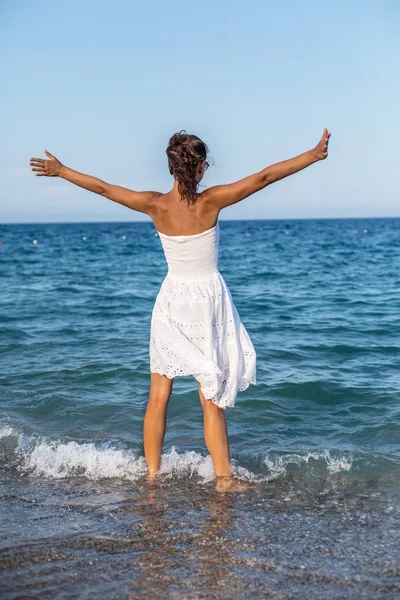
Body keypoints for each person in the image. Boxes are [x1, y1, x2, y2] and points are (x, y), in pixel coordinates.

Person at [30, 127, 330, 492]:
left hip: (171, 302)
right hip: (207, 303)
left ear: (171, 167)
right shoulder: (211, 201)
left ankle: (152, 477)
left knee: (159, 395)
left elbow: (104, 189)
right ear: (200, 166)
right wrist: (312, 156)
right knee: (210, 398)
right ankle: (224, 480)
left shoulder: (155, 204)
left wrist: (62, 171)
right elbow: (265, 176)